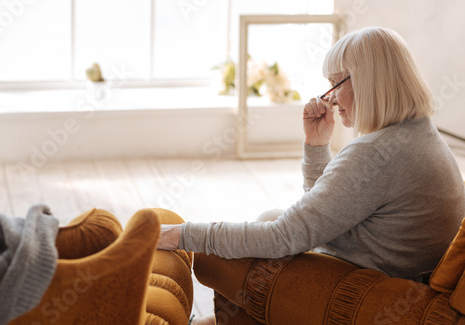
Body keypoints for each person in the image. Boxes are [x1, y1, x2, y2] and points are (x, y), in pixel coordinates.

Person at [158, 26, 465, 323]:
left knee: (223, 254)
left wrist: (181, 235)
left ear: (367, 81)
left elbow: (285, 237)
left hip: (372, 288)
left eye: (335, 84)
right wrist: (317, 146)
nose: (329, 98)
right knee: (268, 216)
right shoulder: (421, 135)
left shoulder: (376, 154)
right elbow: (325, 214)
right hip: (403, 276)